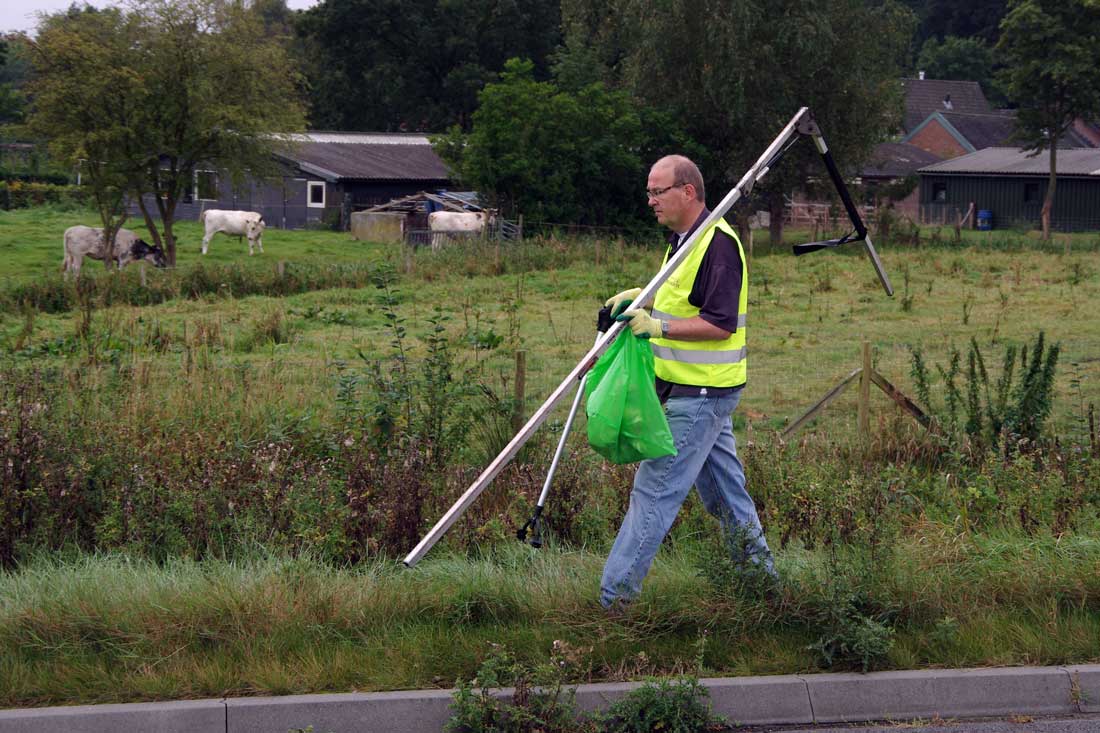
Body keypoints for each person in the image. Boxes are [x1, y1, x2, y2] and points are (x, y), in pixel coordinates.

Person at [600, 154, 775, 609]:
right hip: (688, 388)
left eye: (659, 192)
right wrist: (639, 299)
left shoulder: (717, 244)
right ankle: (765, 590)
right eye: (649, 192)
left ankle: (613, 604)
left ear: (688, 192)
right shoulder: (683, 240)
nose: (651, 201)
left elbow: (719, 324)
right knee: (726, 498)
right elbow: (678, 298)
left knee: (653, 494)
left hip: (701, 393)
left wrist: (658, 329)